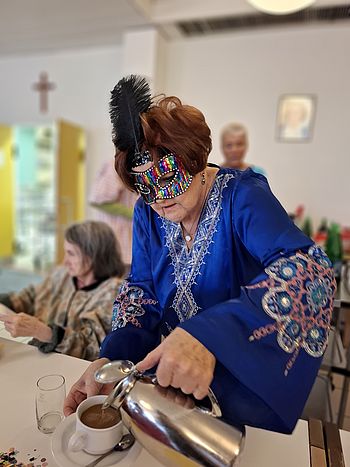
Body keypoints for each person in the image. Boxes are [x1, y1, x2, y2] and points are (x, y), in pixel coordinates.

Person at [64, 76, 336, 434]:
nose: (158, 200)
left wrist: (208, 336)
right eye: (144, 189)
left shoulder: (242, 196)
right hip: (174, 381)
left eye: (168, 180)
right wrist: (110, 358)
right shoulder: (148, 212)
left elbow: (311, 272)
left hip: (243, 380)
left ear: (193, 159)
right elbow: (142, 291)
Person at [0, 221, 125, 361]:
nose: (65, 261)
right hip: (38, 355)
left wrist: (42, 331)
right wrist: (6, 301)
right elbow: (30, 296)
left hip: (71, 369)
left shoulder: (114, 292)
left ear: (93, 256)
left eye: (71, 254)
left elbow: (91, 348)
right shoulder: (62, 274)